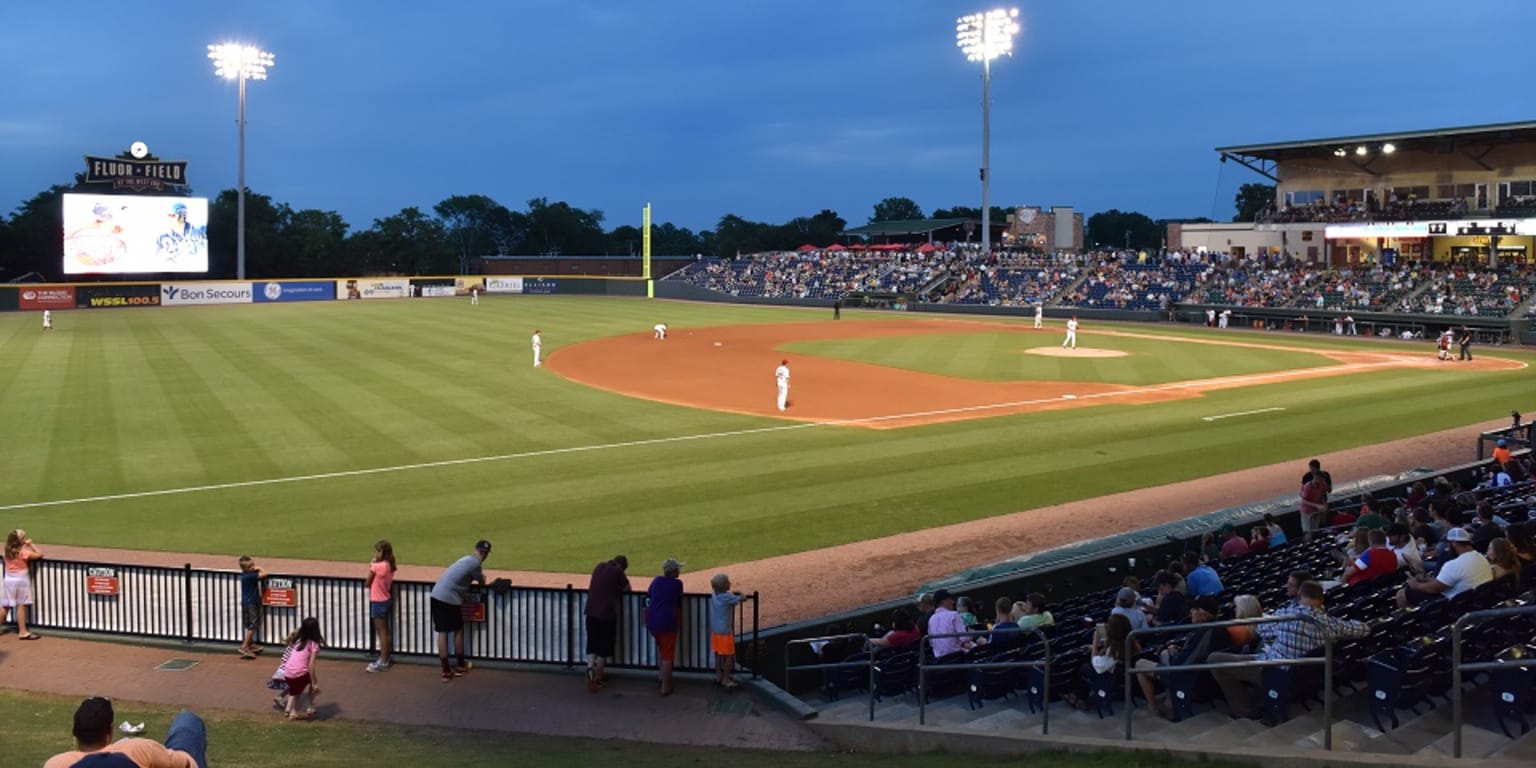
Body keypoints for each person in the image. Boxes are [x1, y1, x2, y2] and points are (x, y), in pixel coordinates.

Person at [1208, 581, 1369, 720]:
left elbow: (1261, 631)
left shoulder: (1286, 614)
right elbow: (1364, 630)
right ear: (1321, 600)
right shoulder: (1330, 623)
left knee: (1214, 660)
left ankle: (1245, 712)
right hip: (1306, 674)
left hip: (1274, 670)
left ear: (1299, 595)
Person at [44, 697, 206, 768]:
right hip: (175, 760)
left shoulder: (56, 764)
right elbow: (186, 763)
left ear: (75, 736)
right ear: (110, 732)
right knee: (186, 721)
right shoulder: (135, 750)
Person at [430, 539, 491, 683]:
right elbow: (482, 582)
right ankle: (460, 665)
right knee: (457, 630)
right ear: (485, 554)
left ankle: (445, 671)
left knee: (442, 632)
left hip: (437, 594)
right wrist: (482, 578)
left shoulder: (465, 559)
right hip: (451, 598)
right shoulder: (476, 564)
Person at [1397, 527, 1493, 606]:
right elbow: (1444, 581)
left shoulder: (1453, 565)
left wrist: (1415, 585)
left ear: (1454, 543)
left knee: (1402, 594)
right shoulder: (1482, 557)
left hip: (1453, 605)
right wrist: (1426, 580)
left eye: (1448, 543)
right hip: (1474, 601)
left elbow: (1433, 588)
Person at [584, 554, 631, 692]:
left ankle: (590, 670)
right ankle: (598, 679)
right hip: (606, 614)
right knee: (603, 648)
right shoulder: (618, 572)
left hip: (590, 611)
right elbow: (628, 589)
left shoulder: (599, 566)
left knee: (592, 644)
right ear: (623, 567)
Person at [645, 558, 685, 695]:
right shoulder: (677, 584)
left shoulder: (656, 580)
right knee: (668, 655)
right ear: (674, 571)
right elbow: (679, 597)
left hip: (652, 620)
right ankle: (665, 687)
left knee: (662, 649)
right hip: (667, 622)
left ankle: (661, 676)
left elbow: (649, 594)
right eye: (677, 569)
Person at [280, 616, 324, 721]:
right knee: (312, 684)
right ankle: (309, 707)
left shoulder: (298, 640)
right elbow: (311, 665)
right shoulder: (313, 644)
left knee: (296, 691)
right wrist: (314, 683)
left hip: (287, 672)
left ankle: (291, 711)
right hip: (299, 673)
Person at [2, 529, 43, 640]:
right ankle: (23, 631)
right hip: (20, 580)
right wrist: (31, 545)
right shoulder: (24, 552)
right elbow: (39, 555)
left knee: (5, 606)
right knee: (21, 605)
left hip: (9, 579)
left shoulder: (6, 550)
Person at [710, 573, 746, 688]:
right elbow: (742, 599)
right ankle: (726, 679)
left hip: (715, 630)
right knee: (729, 656)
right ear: (724, 586)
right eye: (727, 582)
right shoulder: (727, 597)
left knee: (718, 655)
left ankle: (718, 676)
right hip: (725, 632)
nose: (730, 583)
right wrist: (741, 594)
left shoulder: (714, 595)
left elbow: (726, 596)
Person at [366, 539, 396, 672]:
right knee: (385, 631)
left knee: (381, 632)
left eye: (378, 551)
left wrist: (372, 565)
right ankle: (385, 658)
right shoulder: (389, 565)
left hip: (378, 601)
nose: (376, 553)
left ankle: (383, 661)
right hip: (386, 599)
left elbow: (367, 582)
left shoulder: (377, 566)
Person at [927, 589, 973, 660]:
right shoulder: (954, 614)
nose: (952, 602)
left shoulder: (931, 619)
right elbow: (964, 638)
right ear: (943, 601)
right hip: (957, 658)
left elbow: (931, 643)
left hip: (940, 661)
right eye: (949, 599)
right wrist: (971, 634)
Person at [235, 555, 265, 658]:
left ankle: (251, 644)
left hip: (246, 602)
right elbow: (264, 574)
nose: (254, 567)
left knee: (248, 624)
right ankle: (244, 646)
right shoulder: (250, 576)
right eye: (252, 566)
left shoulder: (244, 575)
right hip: (251, 602)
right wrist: (260, 568)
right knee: (253, 624)